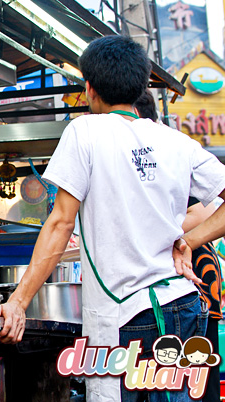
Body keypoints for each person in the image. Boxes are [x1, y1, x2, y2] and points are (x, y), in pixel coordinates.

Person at [0, 35, 225, 402]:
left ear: (89, 89)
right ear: (142, 83)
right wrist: (189, 241)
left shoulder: (85, 131)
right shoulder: (177, 142)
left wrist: (19, 301)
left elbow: (60, 223)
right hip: (181, 306)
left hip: (126, 317)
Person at [136, 89, 223, 402]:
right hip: (183, 282)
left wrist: (163, 230)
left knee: (199, 380)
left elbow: (203, 210)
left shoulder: (167, 152)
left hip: (195, 279)